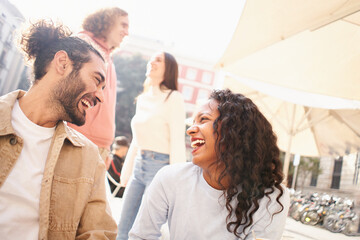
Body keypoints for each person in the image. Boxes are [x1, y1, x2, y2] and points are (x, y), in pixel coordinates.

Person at [0, 20, 117, 239]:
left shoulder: (89, 158)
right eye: (97, 79)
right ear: (62, 63)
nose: (101, 96)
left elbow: (100, 232)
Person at [129, 89, 290, 240]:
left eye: (203, 119)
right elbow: (141, 236)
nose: (190, 130)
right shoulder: (170, 179)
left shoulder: (271, 197)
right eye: (192, 122)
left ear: (234, 130)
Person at [117, 51, 186, 240]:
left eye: (158, 60)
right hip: (139, 166)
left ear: (168, 69)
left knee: (145, 231)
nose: (152, 62)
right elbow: (137, 139)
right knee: (123, 227)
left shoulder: (173, 98)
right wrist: (126, 171)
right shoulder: (143, 99)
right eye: (152, 58)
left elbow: (177, 141)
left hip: (160, 168)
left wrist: (177, 182)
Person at [68, 7, 129, 167]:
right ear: (107, 21)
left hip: (99, 146)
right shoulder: (82, 43)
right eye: (123, 25)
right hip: (78, 139)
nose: (126, 32)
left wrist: (106, 147)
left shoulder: (109, 57)